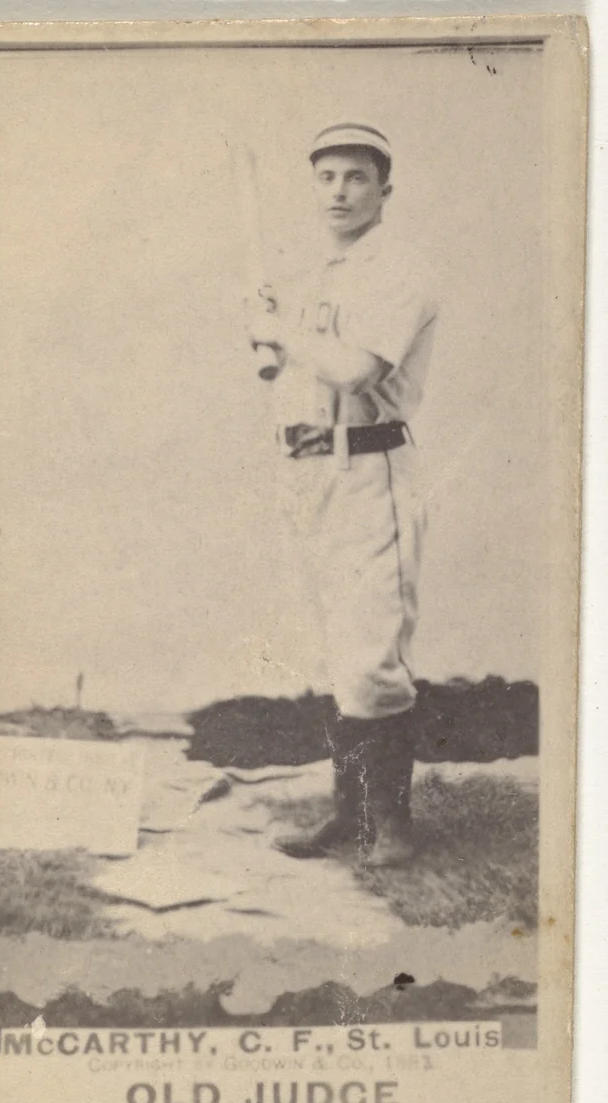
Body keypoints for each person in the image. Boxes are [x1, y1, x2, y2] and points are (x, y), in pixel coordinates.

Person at [246, 121, 439, 868]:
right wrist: (262, 328)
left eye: (356, 177)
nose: (338, 190)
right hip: (312, 472)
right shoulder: (323, 273)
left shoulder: (399, 268)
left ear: (383, 191)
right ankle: (348, 813)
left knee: (370, 657)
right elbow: (296, 372)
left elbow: (355, 370)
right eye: (326, 177)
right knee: (337, 655)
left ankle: (390, 824)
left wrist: (279, 333)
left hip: (370, 471)